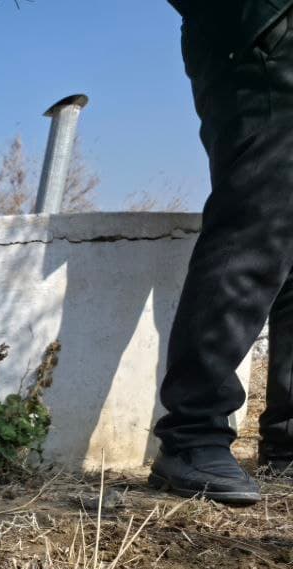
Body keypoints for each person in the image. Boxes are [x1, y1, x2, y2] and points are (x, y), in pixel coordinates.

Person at [152, 0, 293, 505]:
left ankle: (288, 440)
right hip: (262, 29)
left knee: (286, 236)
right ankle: (192, 436)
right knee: (259, 212)